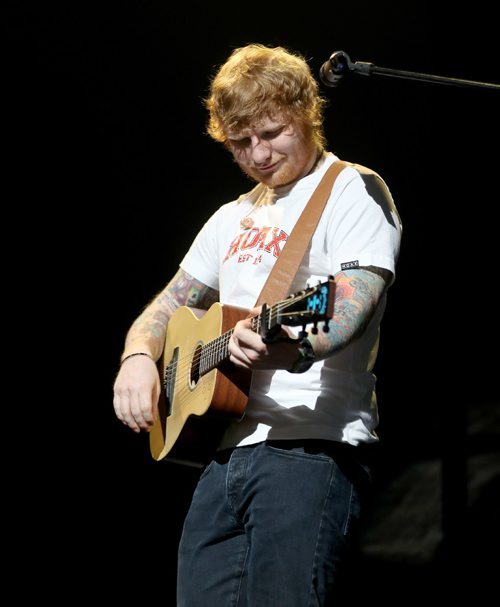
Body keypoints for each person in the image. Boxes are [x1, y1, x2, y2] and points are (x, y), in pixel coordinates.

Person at [113, 43, 402, 606]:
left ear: (304, 113)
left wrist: (283, 347)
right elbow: (168, 305)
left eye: (271, 133)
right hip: (224, 453)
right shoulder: (231, 216)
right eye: (241, 143)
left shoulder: (353, 190)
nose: (259, 154)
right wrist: (138, 358)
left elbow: (348, 304)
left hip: (312, 449)